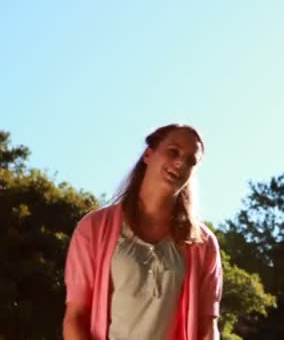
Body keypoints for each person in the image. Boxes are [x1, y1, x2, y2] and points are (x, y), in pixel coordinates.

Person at [63, 124, 222, 340]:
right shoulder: (93, 228)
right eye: (173, 151)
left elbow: (206, 328)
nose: (180, 162)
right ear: (148, 154)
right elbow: (76, 317)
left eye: (190, 161)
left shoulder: (203, 243)